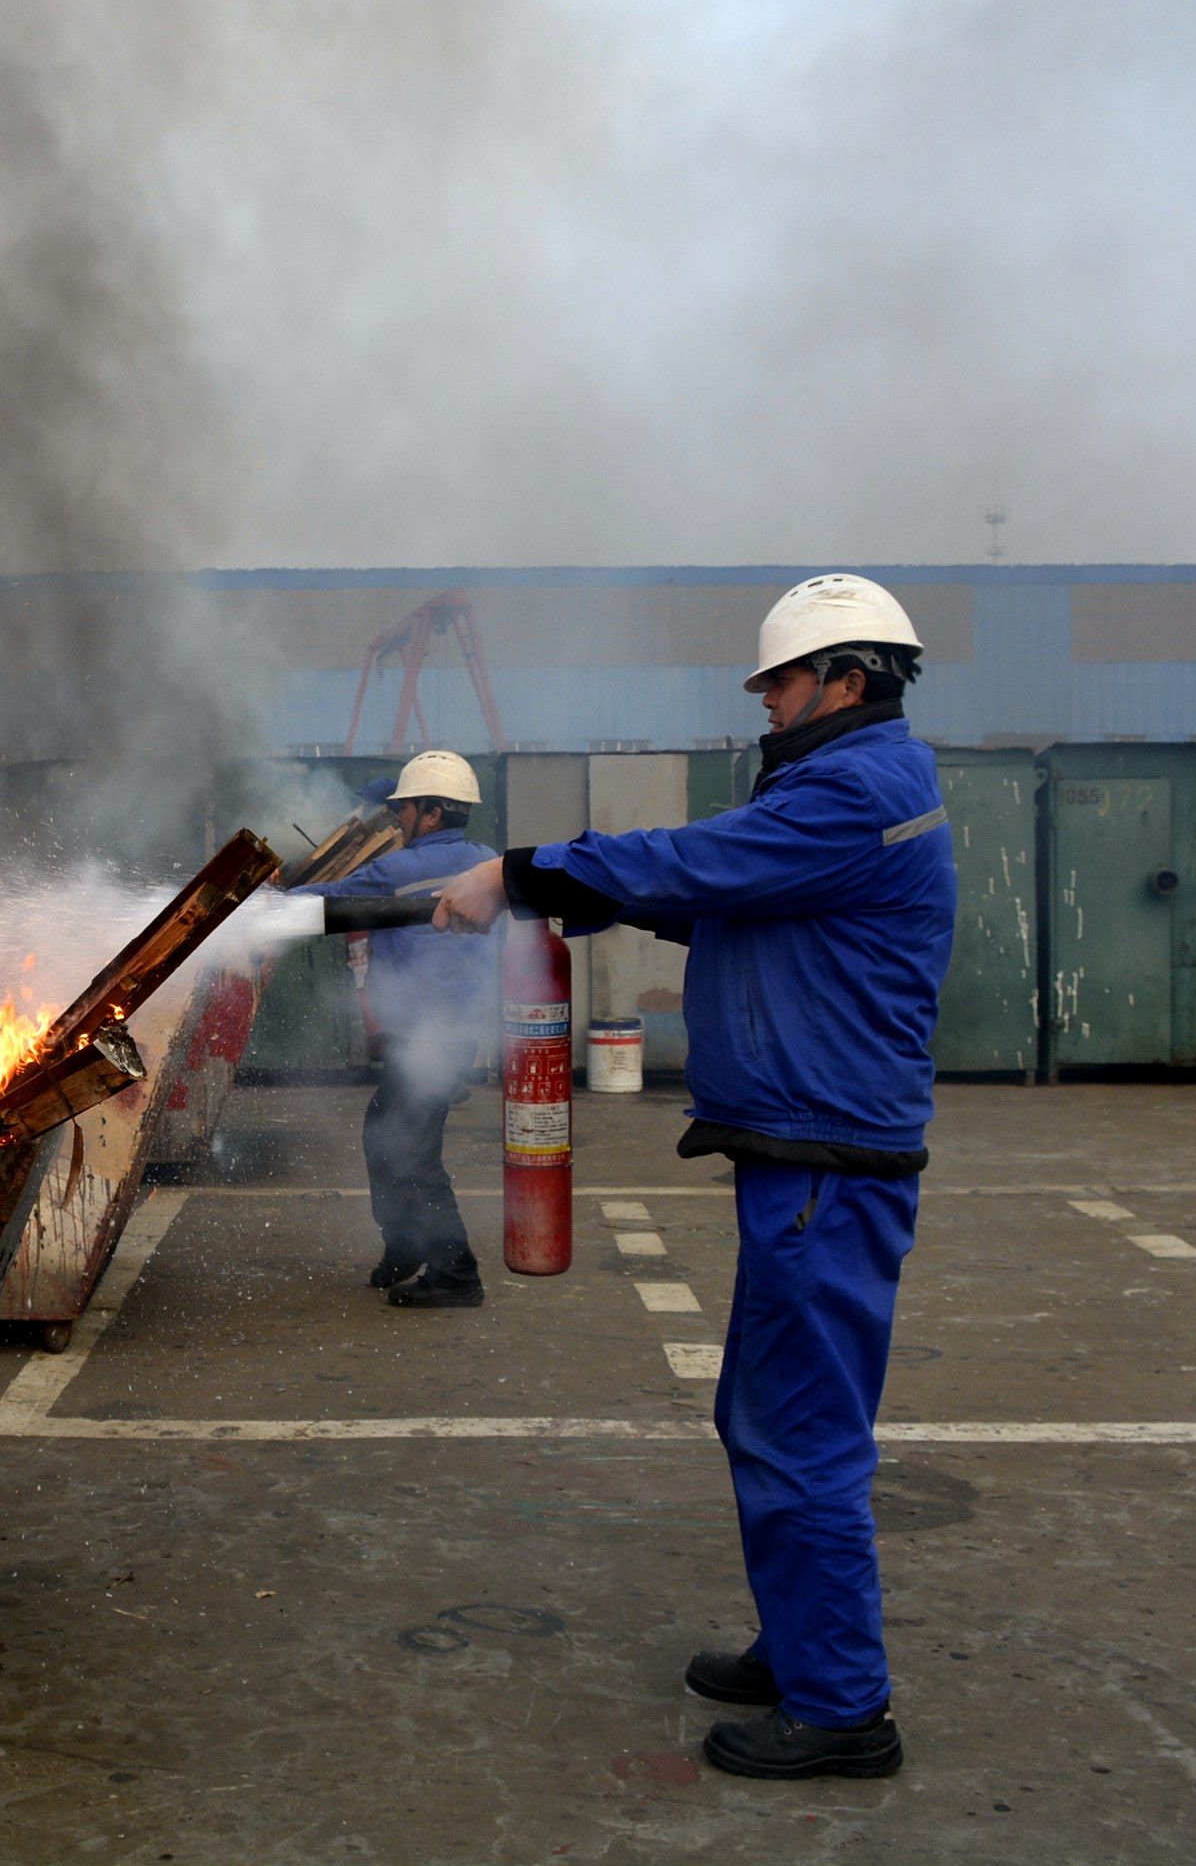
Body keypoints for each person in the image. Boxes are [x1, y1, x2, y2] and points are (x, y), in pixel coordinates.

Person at [432, 574, 957, 1781]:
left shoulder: (852, 787)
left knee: (799, 1428)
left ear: (847, 677)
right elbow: (746, 902)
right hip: (805, 1154)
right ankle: (802, 1641)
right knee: (763, 1412)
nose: (766, 702)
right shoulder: (852, 789)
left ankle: (841, 1707)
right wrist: (597, 900)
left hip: (827, 1162)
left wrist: (525, 873)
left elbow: (707, 862)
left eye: (778, 680)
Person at [314, 750, 499, 1309]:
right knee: (383, 1132)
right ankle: (405, 1246)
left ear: (434, 814)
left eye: (408, 811)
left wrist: (254, 907)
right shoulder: (484, 861)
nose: (399, 821)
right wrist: (387, 794)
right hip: (450, 1035)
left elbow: (324, 901)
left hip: (426, 1039)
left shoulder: (400, 870)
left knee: (413, 1152)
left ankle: (456, 1272)